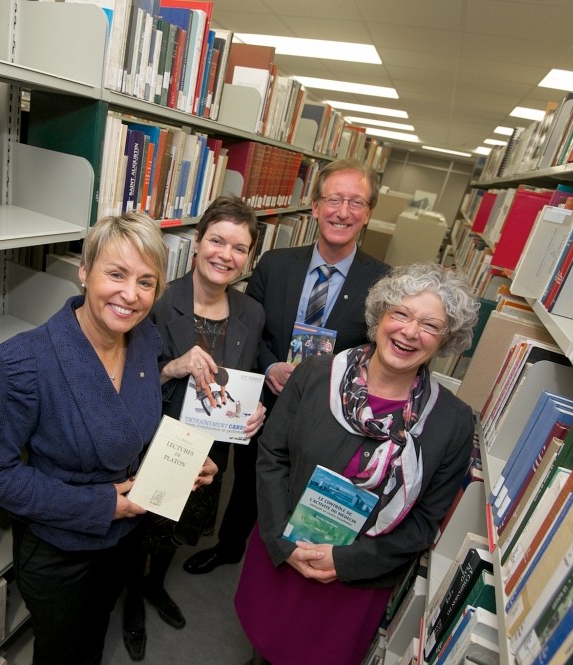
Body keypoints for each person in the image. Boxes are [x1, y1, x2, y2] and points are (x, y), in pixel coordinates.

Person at [0, 212, 216, 665]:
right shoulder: (23, 362)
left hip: (123, 541)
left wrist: (184, 462)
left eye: (146, 281)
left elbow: (132, 422)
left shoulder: (145, 341)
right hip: (61, 550)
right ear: (84, 272)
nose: (130, 294)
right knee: (61, 653)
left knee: (95, 638)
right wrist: (103, 505)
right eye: (116, 274)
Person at [234, 263, 480, 665]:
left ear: (446, 340)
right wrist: (283, 541)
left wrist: (345, 562)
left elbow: (424, 522)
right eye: (400, 313)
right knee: (264, 642)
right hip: (283, 548)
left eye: (430, 325)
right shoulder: (314, 374)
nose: (409, 332)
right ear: (380, 315)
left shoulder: (452, 422)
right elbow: (273, 456)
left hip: (353, 580)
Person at [184, 158, 391, 575]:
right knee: (249, 480)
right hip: (266, 399)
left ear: (368, 214)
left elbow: (376, 355)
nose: (343, 212)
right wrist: (271, 366)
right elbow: (248, 330)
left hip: (329, 415)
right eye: (333, 199)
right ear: (314, 206)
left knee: (304, 487)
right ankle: (230, 547)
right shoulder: (276, 264)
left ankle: (293, 556)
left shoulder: (381, 283)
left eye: (356, 202)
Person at [122, 195, 266, 661]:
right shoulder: (157, 300)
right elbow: (125, 382)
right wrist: (171, 369)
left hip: (207, 451)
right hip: (152, 441)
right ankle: (130, 606)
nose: (226, 255)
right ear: (198, 242)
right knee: (138, 527)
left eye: (239, 248)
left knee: (174, 529)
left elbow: (241, 383)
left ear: (249, 258)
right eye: (217, 241)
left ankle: (155, 585)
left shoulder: (252, 314)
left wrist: (254, 411)